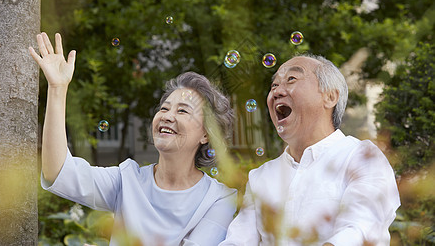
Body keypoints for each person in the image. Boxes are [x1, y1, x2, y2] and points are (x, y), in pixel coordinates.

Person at [29, 32, 237, 246]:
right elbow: (59, 171)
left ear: (206, 134)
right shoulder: (127, 180)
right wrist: (57, 89)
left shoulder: (219, 199)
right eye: (164, 108)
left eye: (183, 111)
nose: (167, 116)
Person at [219, 54, 400, 246]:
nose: (277, 92)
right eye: (273, 86)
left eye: (291, 79)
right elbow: (238, 241)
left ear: (330, 96)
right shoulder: (260, 176)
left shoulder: (361, 157)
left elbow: (358, 231)